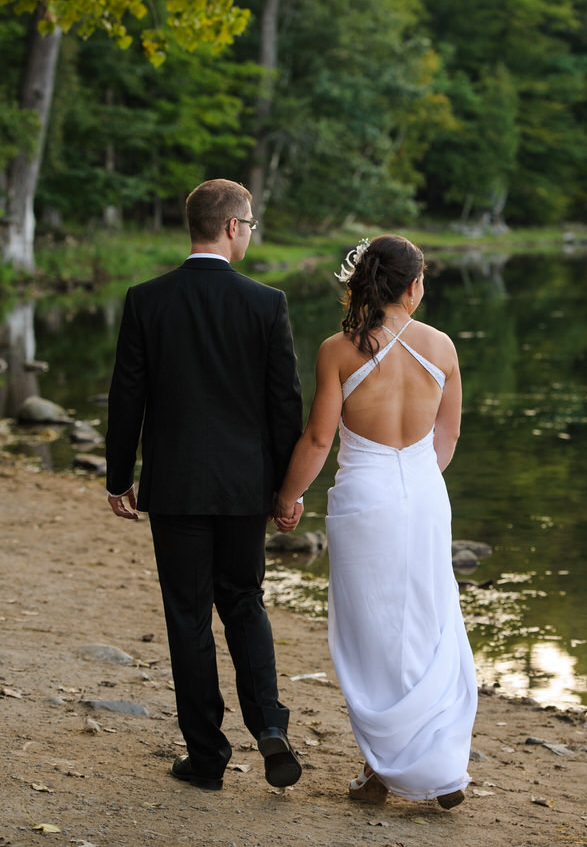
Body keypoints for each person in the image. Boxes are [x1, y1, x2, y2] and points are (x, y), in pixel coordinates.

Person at [105, 179, 304, 792]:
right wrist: (284, 488)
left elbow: (126, 397)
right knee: (243, 602)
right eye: (250, 225)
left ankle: (207, 756)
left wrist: (118, 477)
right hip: (245, 489)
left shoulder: (147, 299)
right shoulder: (266, 303)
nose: (249, 233)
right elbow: (284, 407)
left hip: (177, 486)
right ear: (231, 227)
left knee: (188, 616)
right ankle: (270, 725)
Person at [274, 234, 477, 809]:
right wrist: (416, 478)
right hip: (425, 496)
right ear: (412, 286)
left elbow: (318, 439)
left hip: (366, 497)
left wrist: (288, 497)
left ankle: (380, 770)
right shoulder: (442, 348)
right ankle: (444, 767)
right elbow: (448, 435)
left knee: (372, 635)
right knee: (431, 621)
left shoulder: (339, 350)